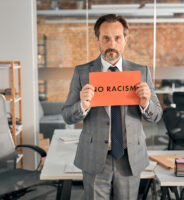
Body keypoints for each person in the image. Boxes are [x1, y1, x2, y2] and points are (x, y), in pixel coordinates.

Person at [62, 14, 162, 200]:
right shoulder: (82, 72)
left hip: (129, 157)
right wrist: (82, 106)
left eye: (117, 38)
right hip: (94, 157)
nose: (112, 43)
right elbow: (67, 115)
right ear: (97, 40)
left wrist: (146, 103)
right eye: (106, 38)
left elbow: (156, 116)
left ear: (125, 39)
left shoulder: (141, 72)